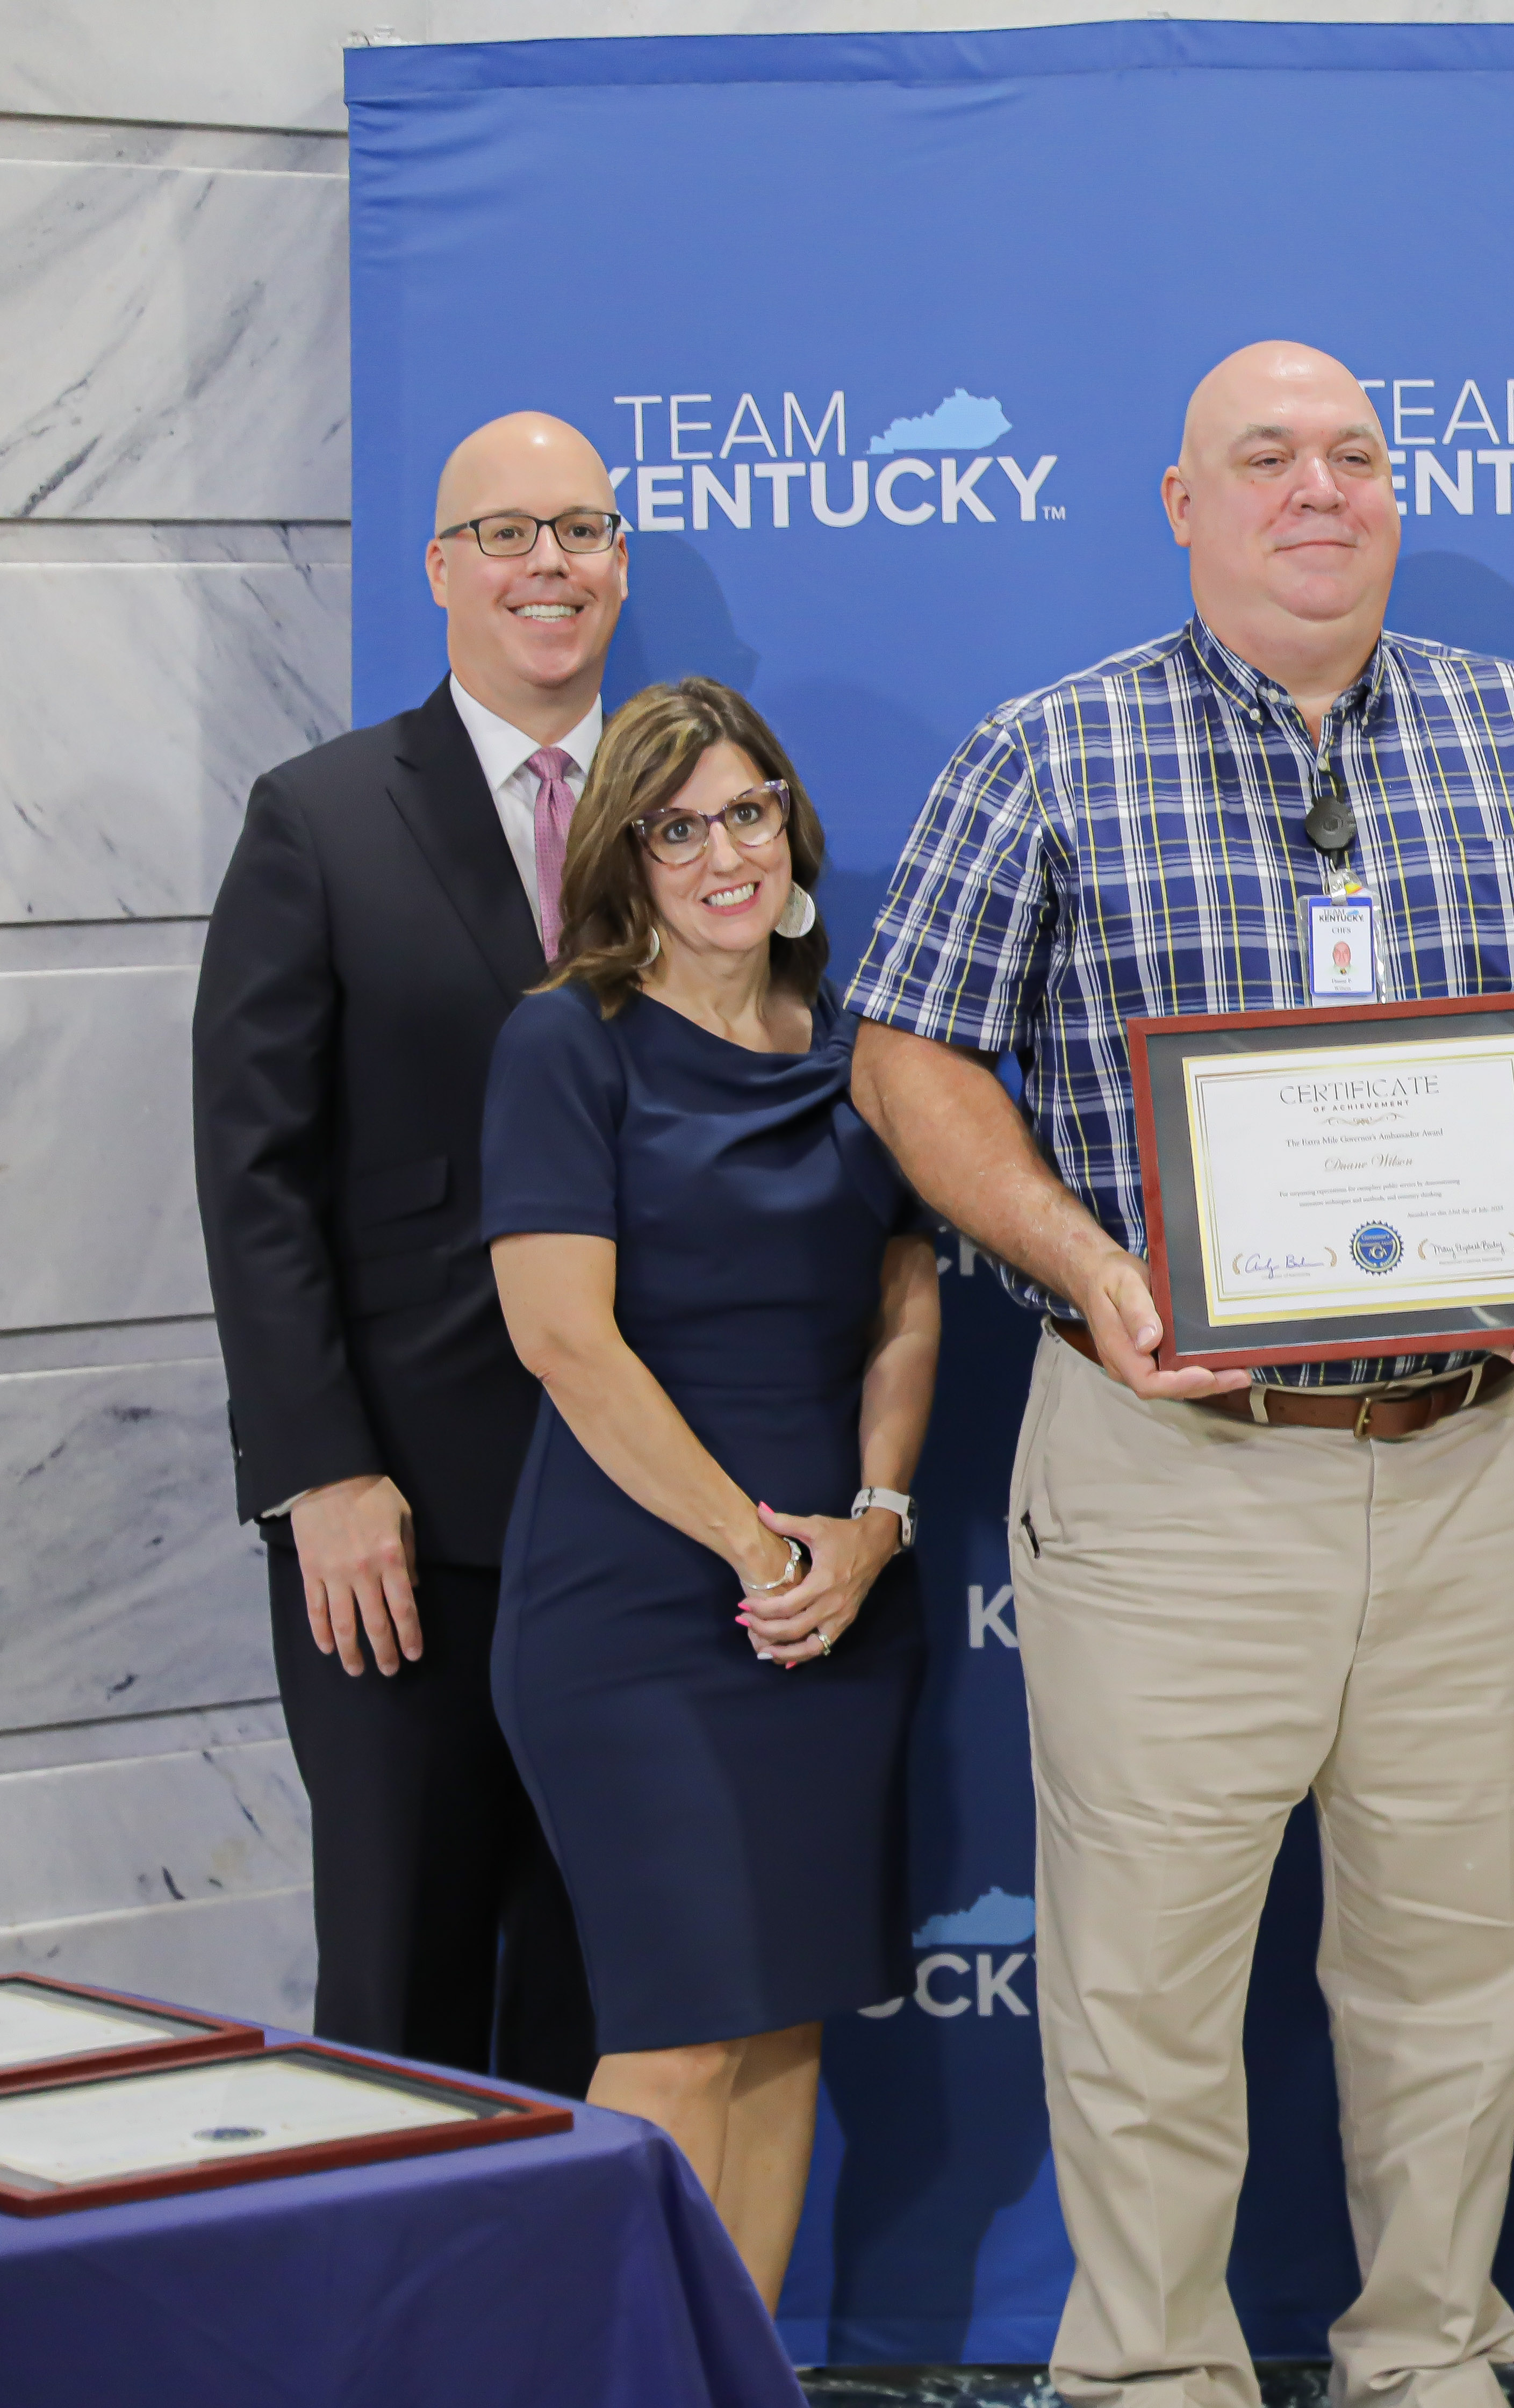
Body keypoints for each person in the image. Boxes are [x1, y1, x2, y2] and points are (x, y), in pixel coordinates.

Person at [844, 340, 1514, 2408]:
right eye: (1267, 459)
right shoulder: (1045, 755)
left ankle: (1428, 2360)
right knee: (1144, 1992)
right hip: (1170, 1469)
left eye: (1352, 457)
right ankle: (1154, 2380)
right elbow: (906, 1054)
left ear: (1399, 497)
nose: (1316, 490)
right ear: (1184, 503)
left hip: (1474, 1466)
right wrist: (1076, 1253)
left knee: (1465, 1979)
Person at [482, 677, 935, 2302]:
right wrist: (759, 1546)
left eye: (750, 812)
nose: (725, 851)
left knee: (782, 2025)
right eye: (680, 827)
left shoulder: (862, 1047)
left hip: (832, 1608)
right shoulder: (568, 1040)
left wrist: (872, 1530)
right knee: (674, 2042)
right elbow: (563, 1340)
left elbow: (905, 1294)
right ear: (627, 853)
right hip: (640, 1607)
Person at [191, 411, 611, 2095]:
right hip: (407, 1534)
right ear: (439, 570)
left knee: (612, 2000)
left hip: (642, 1522)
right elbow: (254, 1173)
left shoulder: (703, 816)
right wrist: (322, 1473)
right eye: (505, 533)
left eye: (579, 529)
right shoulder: (320, 817)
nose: (546, 566)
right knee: (406, 2006)